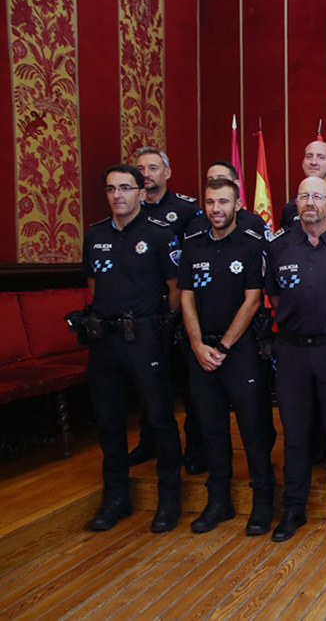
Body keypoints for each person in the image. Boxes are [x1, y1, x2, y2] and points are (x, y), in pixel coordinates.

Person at [81, 164, 184, 532]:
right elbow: (93, 283)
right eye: (111, 189)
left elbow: (175, 288)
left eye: (125, 188)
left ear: (141, 192)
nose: (117, 195)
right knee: (109, 423)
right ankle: (116, 499)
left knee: (159, 419)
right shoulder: (94, 235)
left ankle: (170, 500)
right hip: (104, 339)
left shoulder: (159, 235)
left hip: (145, 337)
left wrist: (154, 325)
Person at [265, 176, 326, 542]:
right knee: (295, 435)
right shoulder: (277, 247)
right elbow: (274, 299)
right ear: (295, 203)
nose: (310, 202)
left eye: (318, 196)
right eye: (304, 196)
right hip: (291, 352)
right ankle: (293, 509)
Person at [178, 178, 275, 536]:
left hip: (240, 352)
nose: (216, 208)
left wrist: (221, 348)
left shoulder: (251, 247)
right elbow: (185, 297)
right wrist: (198, 344)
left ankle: (263, 502)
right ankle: (218, 501)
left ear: (237, 205)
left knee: (252, 428)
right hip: (200, 351)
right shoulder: (192, 246)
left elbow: (252, 300)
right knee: (212, 429)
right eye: (210, 202)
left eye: (223, 201)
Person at [128, 147, 203, 471]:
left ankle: (195, 449)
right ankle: (150, 443)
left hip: (181, 310)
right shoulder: (131, 209)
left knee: (188, 386)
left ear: (167, 173)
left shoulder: (185, 210)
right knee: (148, 384)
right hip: (143, 312)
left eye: (153, 167)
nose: (147, 173)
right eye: (141, 168)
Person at [185, 161, 267, 236]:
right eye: (211, 180)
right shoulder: (197, 225)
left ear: (237, 184)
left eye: (221, 179)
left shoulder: (253, 222)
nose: (216, 184)